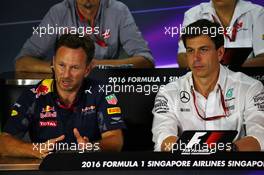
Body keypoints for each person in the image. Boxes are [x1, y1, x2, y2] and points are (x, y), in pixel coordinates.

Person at [0, 34, 125, 159]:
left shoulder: (102, 91)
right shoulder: (34, 94)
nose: (66, 75)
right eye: (61, 65)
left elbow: (115, 141)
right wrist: (36, 150)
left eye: (75, 67)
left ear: (87, 69)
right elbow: (4, 143)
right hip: (47, 169)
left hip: (87, 168)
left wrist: (92, 147)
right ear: (53, 63)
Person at [152, 19, 264, 152]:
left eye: (203, 50)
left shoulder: (250, 88)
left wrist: (224, 152)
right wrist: (206, 152)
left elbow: (259, 138)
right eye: (190, 51)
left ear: (220, 53)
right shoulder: (168, 92)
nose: (195, 58)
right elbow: (163, 140)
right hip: (185, 169)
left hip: (234, 168)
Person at [15, 0, 154, 73]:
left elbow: (146, 61)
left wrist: (96, 66)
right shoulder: (59, 12)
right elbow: (22, 63)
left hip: (107, 88)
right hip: (68, 90)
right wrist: (62, 68)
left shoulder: (119, 11)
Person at [177, 0, 264, 68]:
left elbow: (262, 57)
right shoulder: (193, 14)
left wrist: (228, 70)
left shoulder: (257, 12)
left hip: (247, 80)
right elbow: (183, 58)